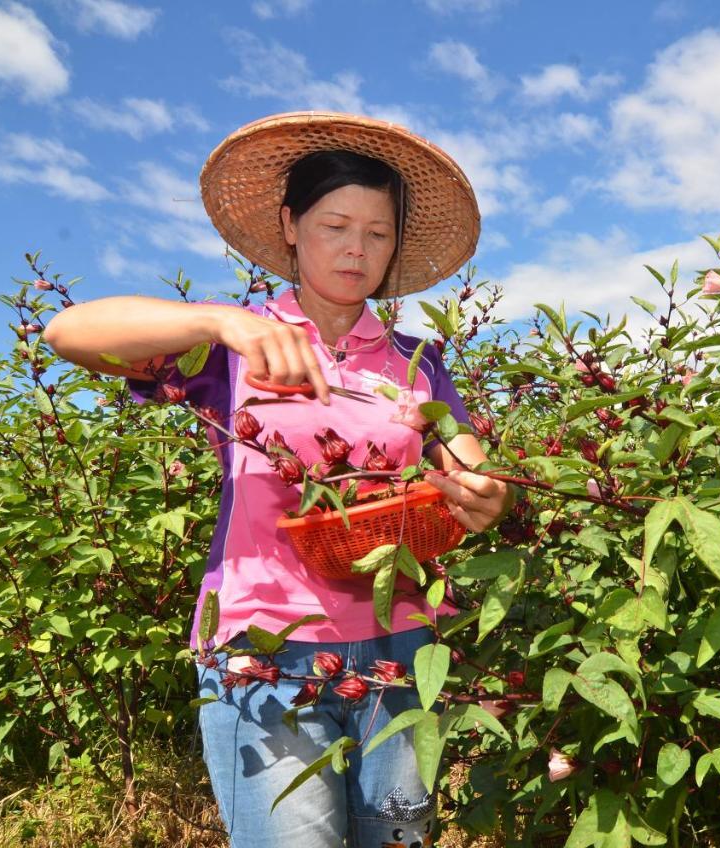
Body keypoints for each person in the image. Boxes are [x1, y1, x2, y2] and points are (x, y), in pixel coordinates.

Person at [44, 112, 513, 847]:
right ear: (291, 226)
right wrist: (217, 323)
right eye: (334, 225)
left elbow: (470, 467)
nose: (357, 249)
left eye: (378, 233)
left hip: (399, 649)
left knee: (400, 839)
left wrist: (484, 496)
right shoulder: (238, 344)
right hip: (265, 654)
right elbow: (68, 333)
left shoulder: (418, 362)